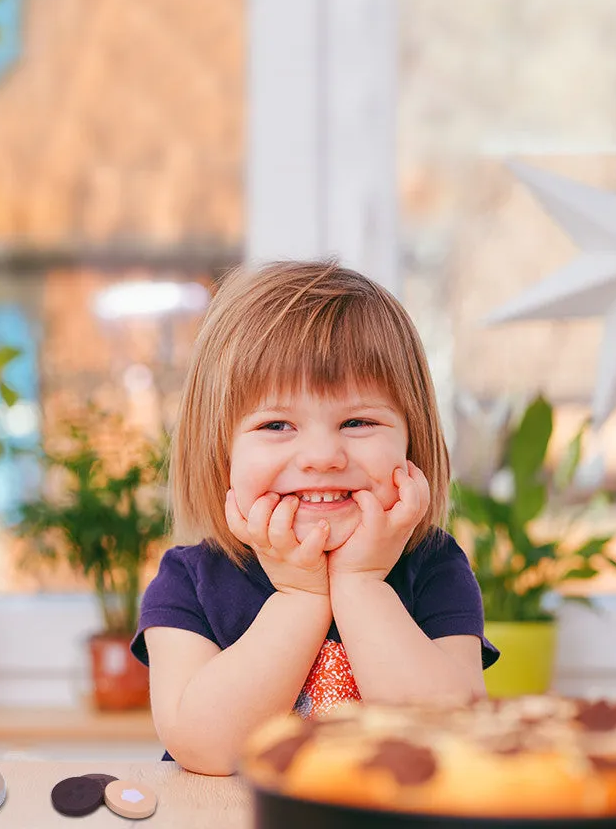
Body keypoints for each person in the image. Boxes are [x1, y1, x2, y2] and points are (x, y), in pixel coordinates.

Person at [130, 259, 499, 776]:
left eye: (358, 421)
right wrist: (300, 596)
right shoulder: (188, 581)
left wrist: (362, 585)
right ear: (221, 453)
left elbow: (450, 740)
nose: (322, 455)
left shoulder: (434, 566)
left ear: (412, 442)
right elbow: (205, 748)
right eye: (277, 424)